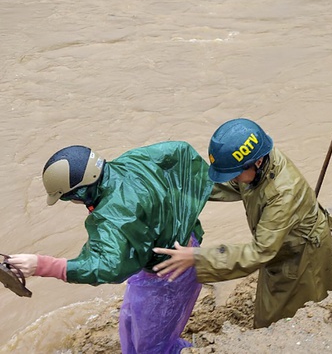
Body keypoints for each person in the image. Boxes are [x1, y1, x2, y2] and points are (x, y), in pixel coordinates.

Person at [7, 142, 214, 354]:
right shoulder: (133, 161)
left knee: (152, 348)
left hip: (172, 273)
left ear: (80, 192)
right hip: (183, 247)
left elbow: (108, 267)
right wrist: (186, 211)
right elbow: (179, 151)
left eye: (68, 198)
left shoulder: (112, 216)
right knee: (129, 324)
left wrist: (42, 265)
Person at [153, 118, 332, 329]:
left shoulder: (283, 193)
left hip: (302, 254)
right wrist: (181, 187)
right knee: (272, 306)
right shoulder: (258, 160)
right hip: (280, 245)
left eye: (235, 173)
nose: (235, 179)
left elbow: (258, 252)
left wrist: (198, 258)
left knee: (292, 318)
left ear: (257, 162)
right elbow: (229, 186)